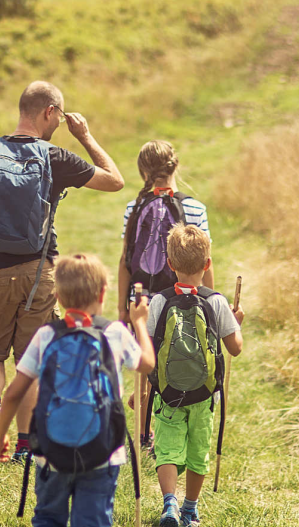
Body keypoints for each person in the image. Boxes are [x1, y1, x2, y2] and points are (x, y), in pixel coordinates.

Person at [0, 81, 125, 463]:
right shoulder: (54, 156)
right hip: (39, 273)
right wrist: (85, 136)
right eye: (60, 117)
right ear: (50, 112)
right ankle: (23, 446)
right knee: (30, 357)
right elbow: (114, 180)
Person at [0, 254, 155, 527]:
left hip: (50, 453)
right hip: (103, 454)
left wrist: (0, 437)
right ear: (103, 293)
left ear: (57, 296)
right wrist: (139, 322)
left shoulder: (46, 335)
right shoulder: (115, 333)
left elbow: (12, 394)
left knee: (49, 523)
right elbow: (147, 365)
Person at [139, 224, 244, 527]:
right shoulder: (216, 302)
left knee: (168, 449)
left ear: (170, 265)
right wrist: (236, 324)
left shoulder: (159, 301)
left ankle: (169, 501)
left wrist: (143, 390)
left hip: (168, 393)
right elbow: (234, 349)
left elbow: (148, 347)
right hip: (203, 395)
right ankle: (190, 509)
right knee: (198, 452)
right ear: (207, 264)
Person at [118, 140, 214, 451]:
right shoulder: (195, 208)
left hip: (142, 299)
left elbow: (125, 261)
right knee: (172, 360)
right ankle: (170, 426)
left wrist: (123, 308)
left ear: (142, 170)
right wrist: (210, 299)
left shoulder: (134, 208)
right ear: (176, 166)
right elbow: (204, 260)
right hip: (179, 297)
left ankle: (145, 437)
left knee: (145, 365)